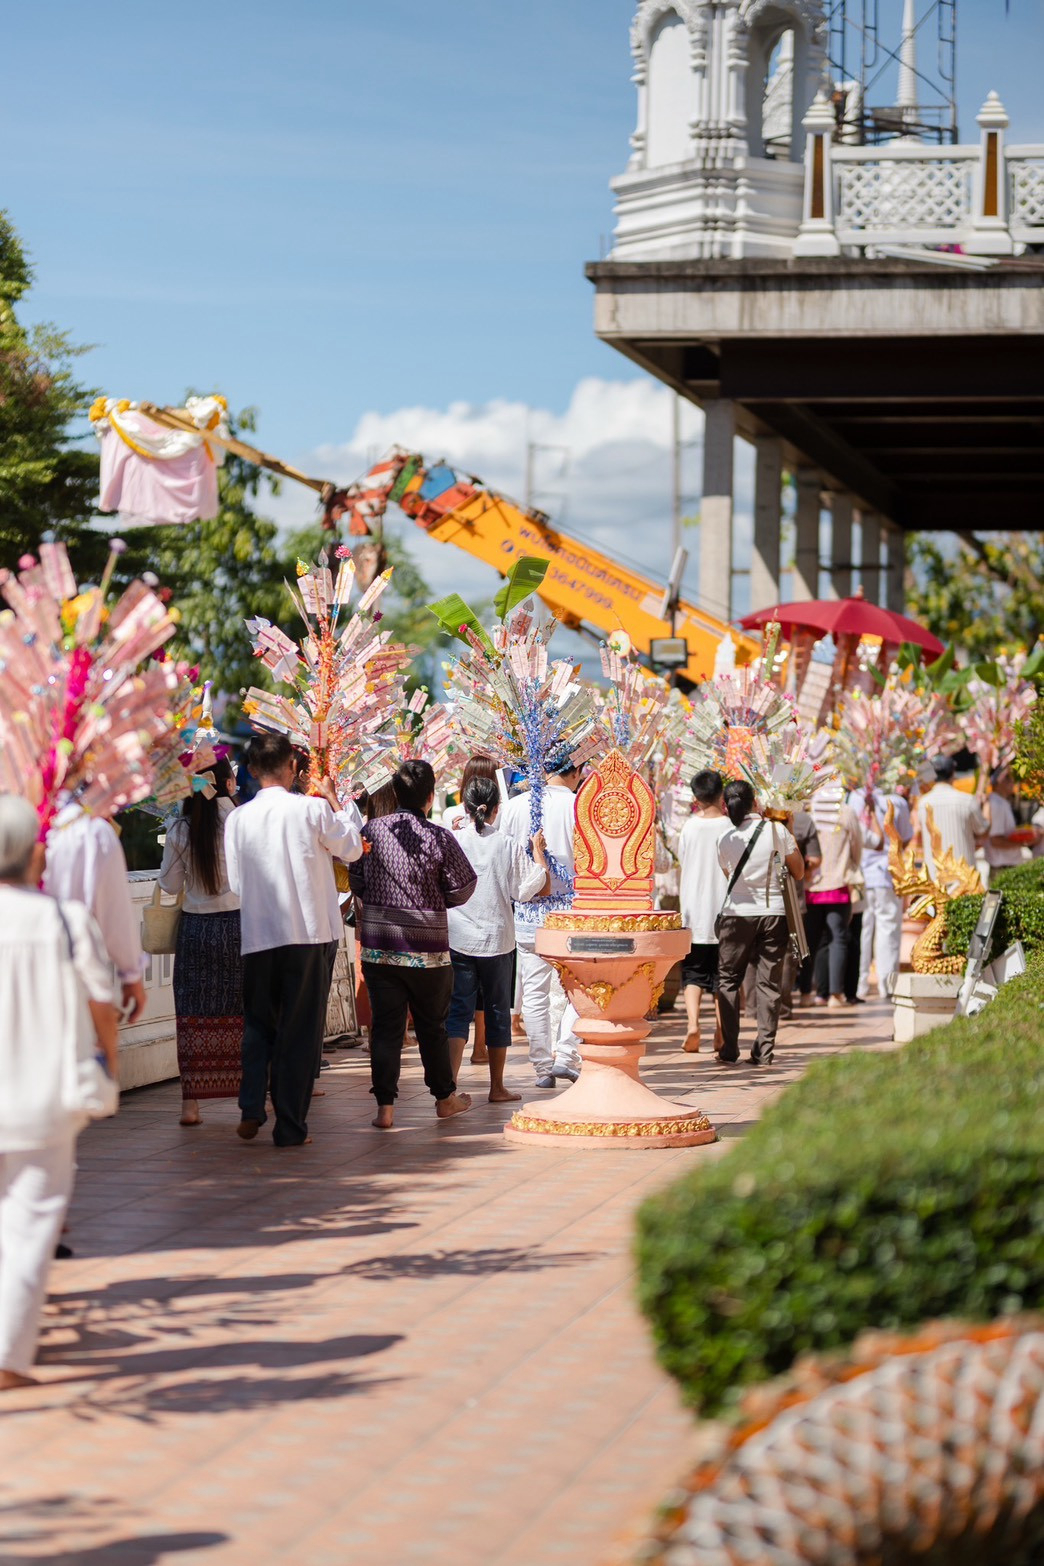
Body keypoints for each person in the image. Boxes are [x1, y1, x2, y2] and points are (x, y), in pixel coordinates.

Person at [0, 795, 119, 1390]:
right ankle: (7, 1355)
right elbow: (103, 1004)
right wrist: (109, 1065)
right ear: (35, 854)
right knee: (29, 1227)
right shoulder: (66, 921)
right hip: (44, 1101)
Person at [224, 733, 363, 1148]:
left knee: (258, 1023)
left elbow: (236, 883)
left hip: (259, 934)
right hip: (308, 932)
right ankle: (289, 1125)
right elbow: (352, 848)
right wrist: (334, 799)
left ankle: (251, 1104)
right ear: (292, 768)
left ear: (252, 770)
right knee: (300, 1031)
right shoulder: (312, 809)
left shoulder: (237, 819)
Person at [349, 759, 477, 1130]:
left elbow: (356, 880)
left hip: (380, 949)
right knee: (432, 1027)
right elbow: (464, 886)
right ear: (431, 796)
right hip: (429, 952)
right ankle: (444, 1098)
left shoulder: (371, 831)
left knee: (386, 1029)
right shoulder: (439, 837)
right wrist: (436, 899)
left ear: (395, 793)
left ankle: (385, 1109)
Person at [446, 776, 549, 1103]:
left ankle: (448, 1088)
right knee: (497, 1012)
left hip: (458, 938)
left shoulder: (453, 841)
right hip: (497, 940)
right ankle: (497, 1087)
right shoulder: (505, 843)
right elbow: (529, 888)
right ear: (495, 809)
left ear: (465, 806)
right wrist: (539, 853)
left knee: (458, 1012)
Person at [158, 756, 242, 1127]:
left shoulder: (180, 828)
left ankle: (190, 1105)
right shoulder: (239, 821)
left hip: (196, 931)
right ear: (227, 783)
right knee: (245, 1010)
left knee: (192, 1014)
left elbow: (169, 885)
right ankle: (252, 1095)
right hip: (239, 927)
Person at [501, 759, 586, 1088]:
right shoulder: (579, 804)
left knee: (534, 992)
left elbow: (506, 859)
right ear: (575, 772)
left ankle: (542, 1068)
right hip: (572, 911)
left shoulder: (514, 806)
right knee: (581, 985)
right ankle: (565, 1054)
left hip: (529, 912)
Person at [716, 780, 805, 1067]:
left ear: (726, 806)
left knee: (729, 979)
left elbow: (729, 876)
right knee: (769, 983)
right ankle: (764, 1050)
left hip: (736, 915)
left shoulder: (725, 838)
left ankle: (730, 1048)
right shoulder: (777, 831)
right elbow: (799, 871)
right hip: (774, 913)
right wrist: (789, 829)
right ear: (756, 802)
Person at [44, 801, 146, 1026]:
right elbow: (115, 914)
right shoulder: (91, 830)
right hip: (72, 979)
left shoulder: (18, 813)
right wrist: (131, 973)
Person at [441, 754, 500, 1065]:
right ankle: (481, 1047)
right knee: (490, 995)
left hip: (460, 919)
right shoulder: (497, 816)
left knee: (461, 996)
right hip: (493, 914)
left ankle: (452, 1072)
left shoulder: (453, 816)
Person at [676, 769, 729, 1054]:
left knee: (693, 972)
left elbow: (682, 860)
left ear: (696, 798)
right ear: (721, 794)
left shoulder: (689, 827)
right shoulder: (731, 827)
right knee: (723, 975)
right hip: (724, 911)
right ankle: (720, 1030)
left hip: (693, 911)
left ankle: (693, 1024)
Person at [847, 783, 912, 1000]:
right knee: (888, 930)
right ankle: (886, 984)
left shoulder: (854, 798)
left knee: (862, 930)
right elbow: (904, 839)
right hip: (886, 872)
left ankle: (859, 984)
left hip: (862, 874)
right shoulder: (897, 801)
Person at [803, 785, 862, 1009]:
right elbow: (857, 846)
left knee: (812, 941)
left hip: (810, 883)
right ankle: (836, 995)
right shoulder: (845, 811)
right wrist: (850, 866)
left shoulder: (808, 811)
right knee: (838, 938)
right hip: (838, 881)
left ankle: (810, 993)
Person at [781, 808, 821, 1016]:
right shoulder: (803, 820)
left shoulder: (752, 817)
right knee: (788, 953)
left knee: (755, 954)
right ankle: (782, 1006)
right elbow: (814, 859)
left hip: (754, 898)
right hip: (791, 896)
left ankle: (753, 1007)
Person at [921, 755, 987, 876]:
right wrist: (986, 806)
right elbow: (982, 831)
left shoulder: (922, 803)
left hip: (934, 877)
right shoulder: (966, 800)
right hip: (965, 878)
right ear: (953, 774)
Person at [984, 763, 1038, 874]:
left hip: (1005, 868)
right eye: (1007, 777)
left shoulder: (1000, 802)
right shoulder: (997, 804)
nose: (1012, 781)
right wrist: (1023, 843)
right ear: (999, 781)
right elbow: (996, 840)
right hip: (1003, 869)